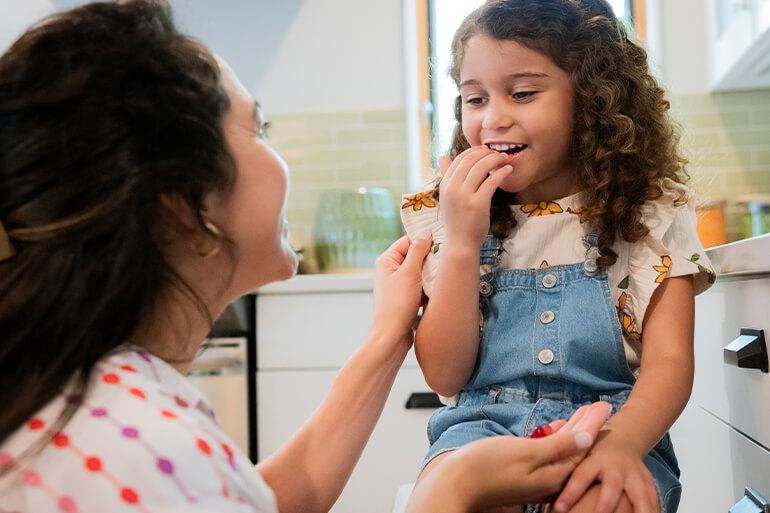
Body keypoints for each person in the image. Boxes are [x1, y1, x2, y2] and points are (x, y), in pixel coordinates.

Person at [0, 2, 614, 512]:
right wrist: (453, 488)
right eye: (259, 130)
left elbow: (260, 500)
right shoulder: (133, 447)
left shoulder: (107, 401)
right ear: (183, 204)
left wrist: (387, 335)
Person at [400, 1, 718, 513]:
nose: (493, 118)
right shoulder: (448, 214)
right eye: (474, 98)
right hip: (480, 429)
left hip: (612, 426)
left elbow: (671, 361)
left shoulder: (651, 211)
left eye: (522, 94)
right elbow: (445, 376)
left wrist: (621, 442)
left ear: (591, 101)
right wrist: (461, 242)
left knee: (600, 502)